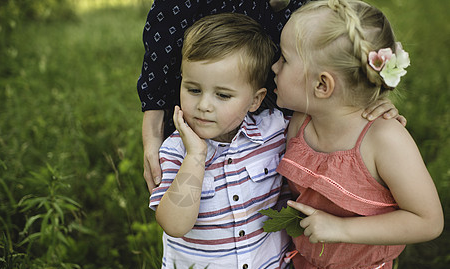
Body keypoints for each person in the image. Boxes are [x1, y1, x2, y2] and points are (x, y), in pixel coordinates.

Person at [271, 0, 444, 269]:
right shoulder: (300, 122)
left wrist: (340, 230)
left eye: (284, 59)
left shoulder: (384, 140)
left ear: (323, 86)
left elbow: (428, 221)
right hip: (305, 264)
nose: (273, 67)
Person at [137, 0, 403, 193]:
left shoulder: (284, 132)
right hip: (201, 135)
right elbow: (163, 39)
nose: (274, 66)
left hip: (279, 126)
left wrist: (362, 98)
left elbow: (341, 57)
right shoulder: (181, 148)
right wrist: (156, 135)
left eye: (283, 59)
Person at [149, 13, 292, 269]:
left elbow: (329, 124)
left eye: (222, 95)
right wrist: (196, 156)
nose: (203, 105)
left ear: (255, 100)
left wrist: (374, 112)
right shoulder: (177, 150)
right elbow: (174, 225)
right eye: (193, 89)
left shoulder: (274, 132)